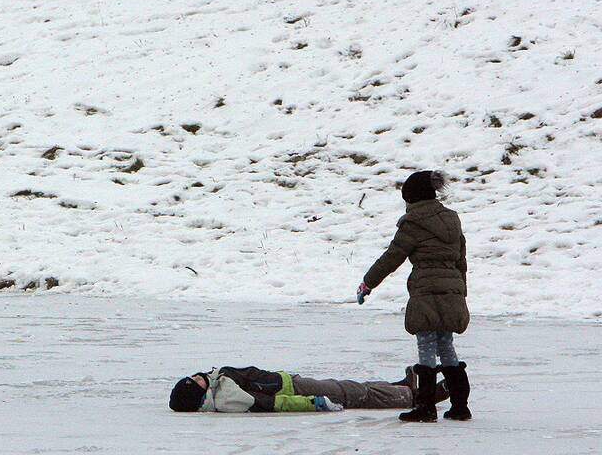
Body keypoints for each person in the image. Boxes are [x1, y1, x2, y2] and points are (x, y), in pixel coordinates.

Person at [357, 171, 472, 423]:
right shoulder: (452, 219)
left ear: (412, 197)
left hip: (426, 290)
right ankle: (460, 406)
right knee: (446, 344)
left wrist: (368, 282)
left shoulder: (413, 223)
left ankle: (426, 407)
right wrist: (461, 291)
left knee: (427, 345)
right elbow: (461, 259)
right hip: (452, 289)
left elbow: (392, 258)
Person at [168, 364, 437, 413]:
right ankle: (409, 396)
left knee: (348, 387)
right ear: (199, 394)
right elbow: (270, 404)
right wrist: (314, 402)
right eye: (195, 381)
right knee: (350, 394)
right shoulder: (227, 396)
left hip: (290, 382)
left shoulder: (217, 383)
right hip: (292, 390)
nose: (198, 376)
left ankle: (398, 387)